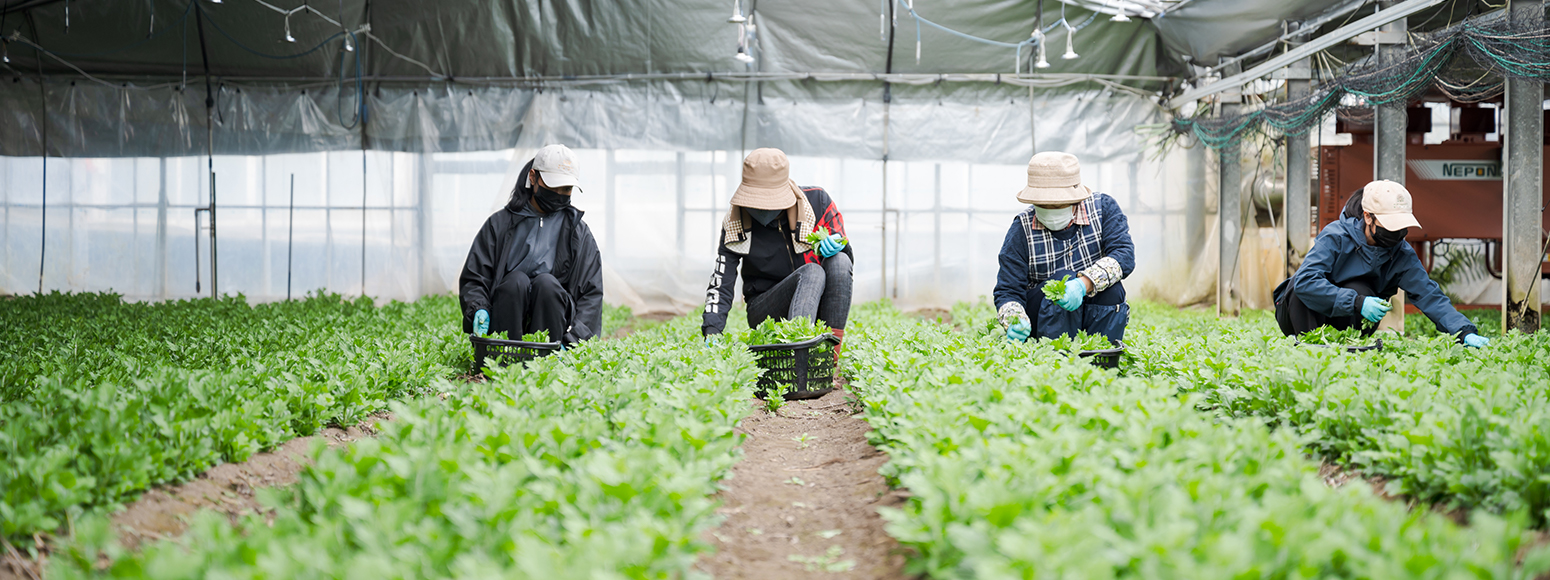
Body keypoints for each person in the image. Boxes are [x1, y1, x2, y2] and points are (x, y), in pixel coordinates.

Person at [1274, 180, 1489, 347]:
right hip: (1300, 315)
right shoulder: (1336, 236)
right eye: (1390, 225)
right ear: (1368, 217)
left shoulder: (1401, 253)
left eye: (1401, 226)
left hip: (1349, 322)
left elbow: (1428, 294)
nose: (1396, 233)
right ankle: (1309, 346)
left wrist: (1463, 331)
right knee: (1299, 287)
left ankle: (1348, 347)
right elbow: (1306, 282)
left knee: (1360, 288)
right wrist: (1357, 302)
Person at [702, 148, 854, 346]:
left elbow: (845, 261)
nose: (762, 209)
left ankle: (829, 352)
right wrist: (712, 330)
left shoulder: (818, 203)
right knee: (811, 272)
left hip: (817, 301)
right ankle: (798, 351)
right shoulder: (736, 223)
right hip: (765, 309)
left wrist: (840, 245)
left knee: (840, 261)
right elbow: (722, 280)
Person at [458, 144, 604, 345]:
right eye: (553, 186)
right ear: (533, 177)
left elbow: (590, 294)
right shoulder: (499, 225)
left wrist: (573, 339)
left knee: (547, 285)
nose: (559, 193)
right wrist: (478, 308)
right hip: (506, 315)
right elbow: (475, 278)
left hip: (557, 325)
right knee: (515, 282)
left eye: (566, 189)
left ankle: (549, 354)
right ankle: (506, 353)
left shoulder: (578, 232)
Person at [993, 151, 1135, 344]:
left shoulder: (1103, 209)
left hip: (1090, 309)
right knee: (1061, 280)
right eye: (1043, 205)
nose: (1050, 211)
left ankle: (1101, 351)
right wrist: (1014, 319)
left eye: (1057, 205)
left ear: (1075, 199)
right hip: (1043, 318)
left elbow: (1124, 255)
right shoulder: (1022, 229)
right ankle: (1055, 352)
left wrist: (1084, 283)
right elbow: (1008, 290)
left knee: (1112, 290)